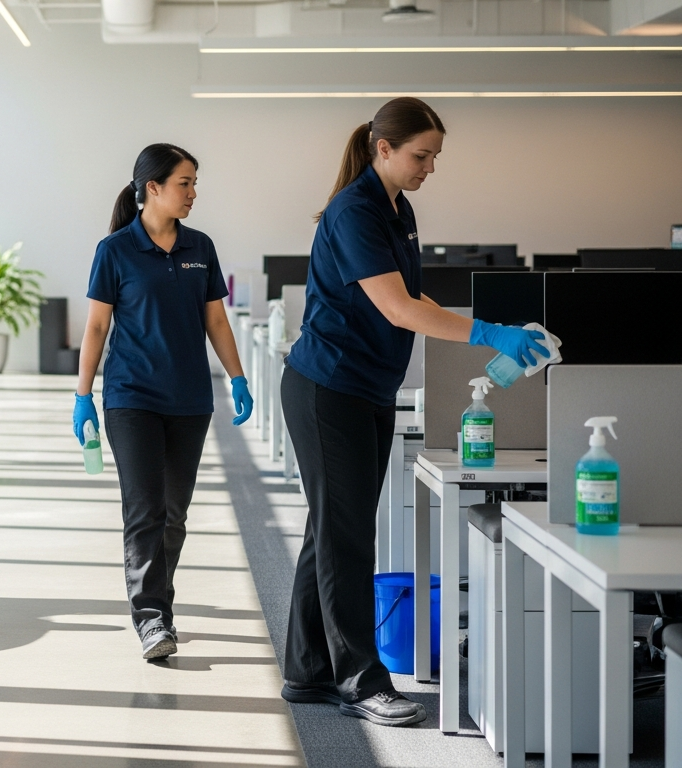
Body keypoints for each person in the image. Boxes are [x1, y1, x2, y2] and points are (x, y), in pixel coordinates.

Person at [279, 97, 549, 727]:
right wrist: (487, 332)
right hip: (329, 388)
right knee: (347, 536)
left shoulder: (397, 210)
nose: (430, 167)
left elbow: (406, 294)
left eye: (434, 157)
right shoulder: (354, 211)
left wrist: (482, 326)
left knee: (332, 529)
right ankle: (361, 681)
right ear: (383, 149)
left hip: (366, 386)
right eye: (421, 155)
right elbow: (398, 312)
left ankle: (307, 671)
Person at [73, 143, 254, 661]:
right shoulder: (115, 250)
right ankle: (153, 617)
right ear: (152, 188)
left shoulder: (201, 245)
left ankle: (159, 605)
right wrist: (83, 396)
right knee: (145, 510)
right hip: (131, 398)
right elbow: (97, 325)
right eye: (184, 183)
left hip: (190, 399)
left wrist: (237, 377)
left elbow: (215, 320)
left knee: (175, 513)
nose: (193, 193)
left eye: (194, 183)